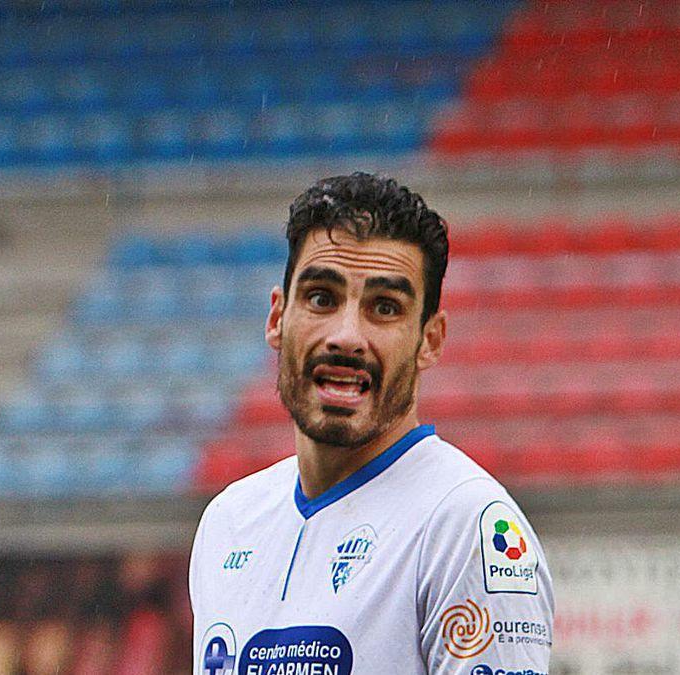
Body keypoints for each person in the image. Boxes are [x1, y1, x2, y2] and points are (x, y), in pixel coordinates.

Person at [189, 173, 553, 674]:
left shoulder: (466, 526)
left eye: (384, 308)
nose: (346, 336)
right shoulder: (228, 523)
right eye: (321, 298)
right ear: (278, 317)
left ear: (431, 340)